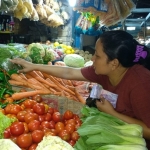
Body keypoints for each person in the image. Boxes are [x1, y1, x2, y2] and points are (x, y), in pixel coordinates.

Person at [11, 30, 150, 149]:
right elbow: (69, 73)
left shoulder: (140, 84)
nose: (93, 58)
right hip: (117, 131)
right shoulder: (104, 71)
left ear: (114, 63)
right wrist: (33, 66)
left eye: (97, 55)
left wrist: (112, 113)